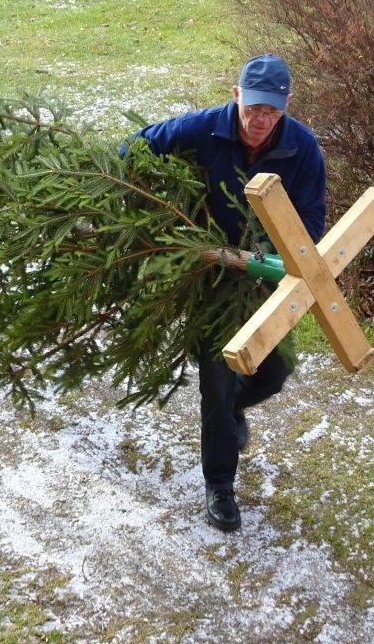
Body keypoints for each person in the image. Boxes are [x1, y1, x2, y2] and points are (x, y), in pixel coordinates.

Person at [129, 53, 327, 532]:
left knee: (275, 371)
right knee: (217, 382)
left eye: (271, 112)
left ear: (286, 104)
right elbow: (134, 150)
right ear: (236, 95)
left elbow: (312, 221)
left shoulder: (302, 147)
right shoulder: (203, 129)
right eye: (253, 109)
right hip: (211, 275)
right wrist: (151, 212)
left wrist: (276, 256)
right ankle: (219, 484)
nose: (261, 121)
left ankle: (236, 406)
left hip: (264, 277)